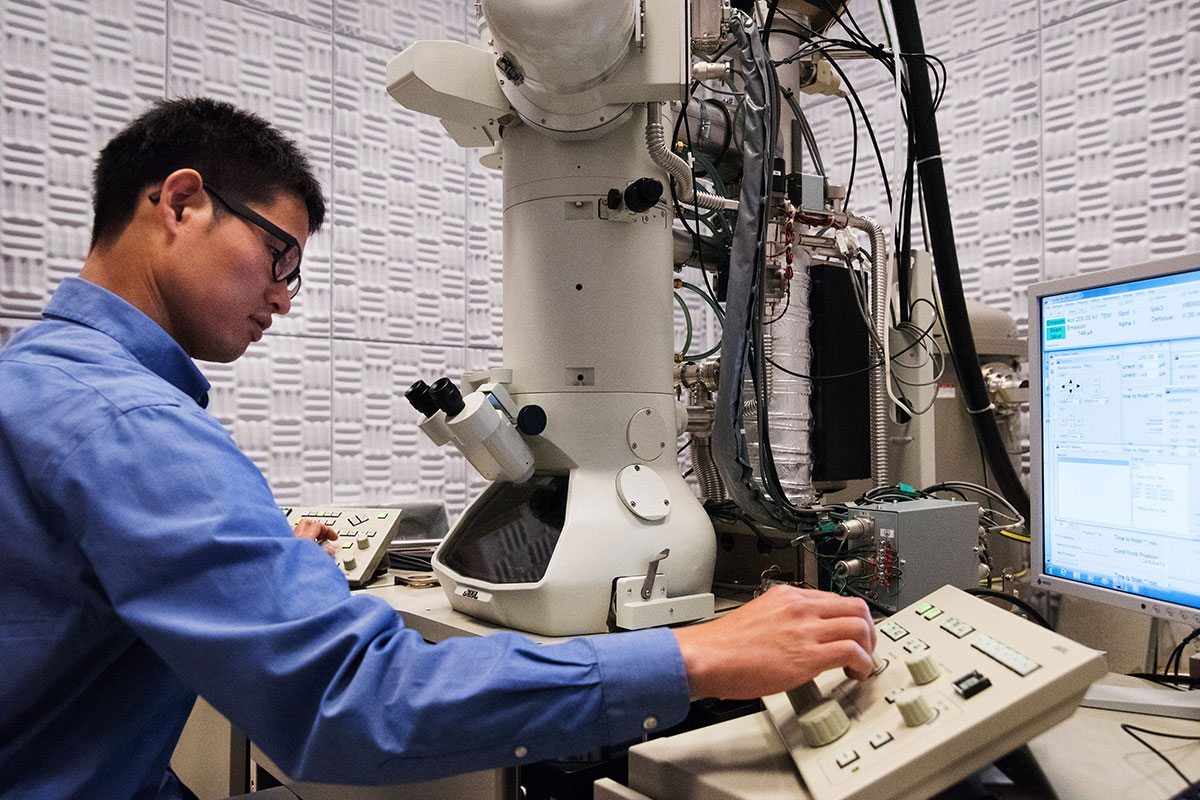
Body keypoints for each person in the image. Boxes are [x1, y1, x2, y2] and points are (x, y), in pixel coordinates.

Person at [0, 97, 875, 799]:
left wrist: (264, 576)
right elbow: (352, 701)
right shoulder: (130, 426)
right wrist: (696, 656)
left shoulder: (39, 381)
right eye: (279, 257)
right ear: (181, 201)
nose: (285, 298)